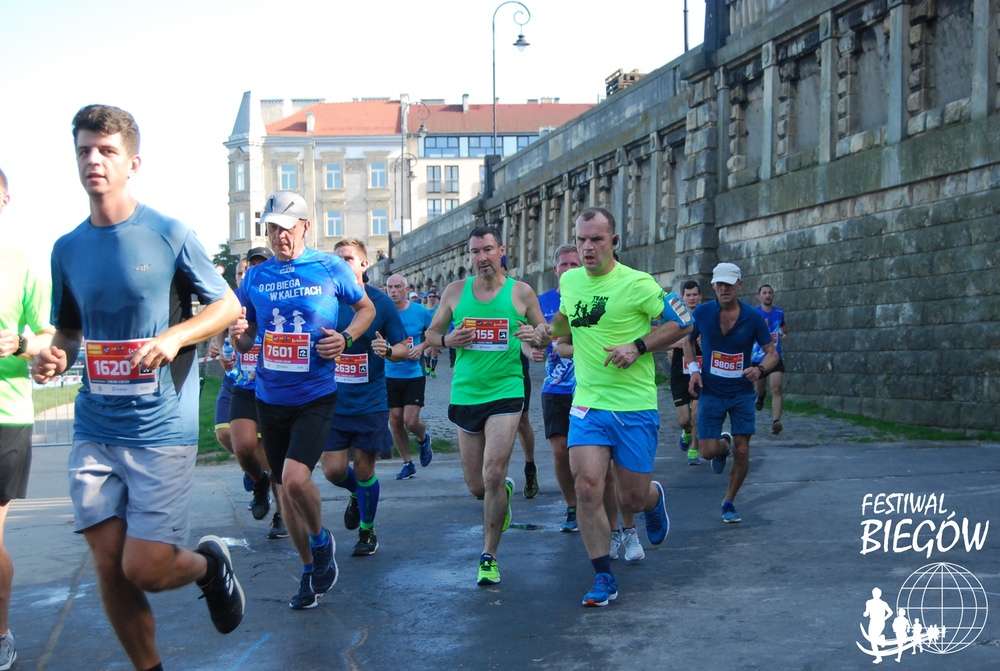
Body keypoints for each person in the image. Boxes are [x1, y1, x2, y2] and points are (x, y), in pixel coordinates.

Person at [31, 105, 245, 671]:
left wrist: (176, 336)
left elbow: (226, 305)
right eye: (84, 150)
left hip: (160, 426)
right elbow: (69, 330)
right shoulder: (67, 248)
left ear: (133, 163)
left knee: (144, 567)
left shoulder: (168, 233)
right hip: (94, 425)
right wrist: (56, 355)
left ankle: (209, 565)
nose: (93, 160)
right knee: (108, 565)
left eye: (106, 151)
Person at [229, 191, 375, 610]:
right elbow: (246, 339)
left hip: (315, 395)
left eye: (286, 228)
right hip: (269, 396)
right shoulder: (256, 277)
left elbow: (364, 309)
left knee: (294, 479)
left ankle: (321, 539)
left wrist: (345, 338)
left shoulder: (329, 267)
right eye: (272, 229)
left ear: (305, 227)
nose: (279, 236)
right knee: (283, 489)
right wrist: (238, 336)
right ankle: (310, 569)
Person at [546, 207, 693, 607]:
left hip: (633, 406)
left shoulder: (637, 283)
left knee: (631, 499)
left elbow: (684, 322)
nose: (587, 247)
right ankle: (603, 577)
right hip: (588, 404)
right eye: (581, 239)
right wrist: (546, 331)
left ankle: (652, 499)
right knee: (587, 486)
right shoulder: (570, 280)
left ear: (614, 242)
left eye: (596, 239)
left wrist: (639, 345)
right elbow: (568, 319)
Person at [425, 225, 550, 587]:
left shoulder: (521, 292)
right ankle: (502, 495)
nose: (482, 258)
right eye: (475, 252)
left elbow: (544, 333)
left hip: (506, 391)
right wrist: (448, 340)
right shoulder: (455, 292)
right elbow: (431, 334)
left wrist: (536, 337)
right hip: (466, 394)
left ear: (501, 250)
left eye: (488, 250)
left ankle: (488, 556)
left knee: (493, 472)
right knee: (478, 486)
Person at [0, 166, 55, 671]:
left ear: (5, 200)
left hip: (5, 415)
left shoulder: (23, 262)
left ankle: (0, 632)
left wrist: (22, 344)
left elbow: (46, 335)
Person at [321, 239, 406, 556]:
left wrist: (389, 350)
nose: (341, 264)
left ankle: (367, 531)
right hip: (333, 400)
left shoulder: (380, 303)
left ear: (363, 264)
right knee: (333, 470)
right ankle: (357, 493)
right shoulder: (326, 300)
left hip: (370, 400)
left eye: (347, 258)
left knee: (365, 468)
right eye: (337, 259)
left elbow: (403, 348)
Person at [685, 262, 778, 524]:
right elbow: (687, 340)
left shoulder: (753, 317)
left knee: (743, 450)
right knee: (707, 452)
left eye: (729, 284)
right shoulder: (702, 312)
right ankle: (723, 446)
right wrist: (694, 370)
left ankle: (729, 501)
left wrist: (759, 370)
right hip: (711, 391)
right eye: (719, 284)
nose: (724, 289)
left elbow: (772, 354)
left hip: (741, 393)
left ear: (739, 285)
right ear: (713, 286)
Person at [227, 247, 288, 537]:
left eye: (261, 265)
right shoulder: (236, 298)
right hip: (245, 383)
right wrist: (222, 343)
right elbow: (222, 324)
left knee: (276, 457)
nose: (255, 270)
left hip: (275, 385)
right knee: (242, 446)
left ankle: (281, 515)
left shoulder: (281, 294)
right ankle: (259, 482)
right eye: (251, 266)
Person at [535, 244, 582, 530]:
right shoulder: (542, 302)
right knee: (560, 450)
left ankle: (593, 500)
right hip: (555, 386)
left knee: (585, 452)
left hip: (588, 387)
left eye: (574, 264)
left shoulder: (591, 295)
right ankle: (572, 506)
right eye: (564, 264)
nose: (569, 269)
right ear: (556, 269)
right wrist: (533, 347)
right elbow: (530, 337)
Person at [383, 274, 434, 480]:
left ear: (406, 289)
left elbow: (435, 333)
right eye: (390, 287)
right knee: (395, 421)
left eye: (397, 287)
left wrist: (422, 347)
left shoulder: (420, 311)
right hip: (389, 373)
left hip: (413, 373)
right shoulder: (382, 312)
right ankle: (407, 463)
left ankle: (423, 438)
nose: (393, 291)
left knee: (410, 421)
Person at [669, 280, 703, 465]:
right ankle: (687, 432)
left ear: (700, 296)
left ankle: (694, 450)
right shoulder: (676, 317)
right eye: (688, 295)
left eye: (694, 294)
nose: (692, 298)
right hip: (679, 371)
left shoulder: (705, 315)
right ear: (682, 297)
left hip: (700, 370)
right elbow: (663, 341)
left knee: (696, 413)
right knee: (684, 419)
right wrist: (680, 343)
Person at [752, 283, 788, 435]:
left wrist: (784, 335)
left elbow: (783, 329)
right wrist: (761, 328)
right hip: (758, 358)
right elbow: (749, 334)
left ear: (773, 296)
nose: (767, 295)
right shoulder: (754, 314)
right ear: (759, 296)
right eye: (764, 293)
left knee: (776, 388)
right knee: (759, 389)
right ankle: (761, 397)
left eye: (770, 293)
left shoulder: (779, 313)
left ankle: (776, 421)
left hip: (775, 356)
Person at [421, 289, 441, 377]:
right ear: (427, 298)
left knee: (435, 352)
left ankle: (433, 370)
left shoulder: (439, 307)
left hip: (436, 332)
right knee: (427, 351)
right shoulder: (423, 307)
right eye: (430, 296)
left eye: (434, 296)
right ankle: (428, 367)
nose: (432, 298)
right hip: (426, 332)